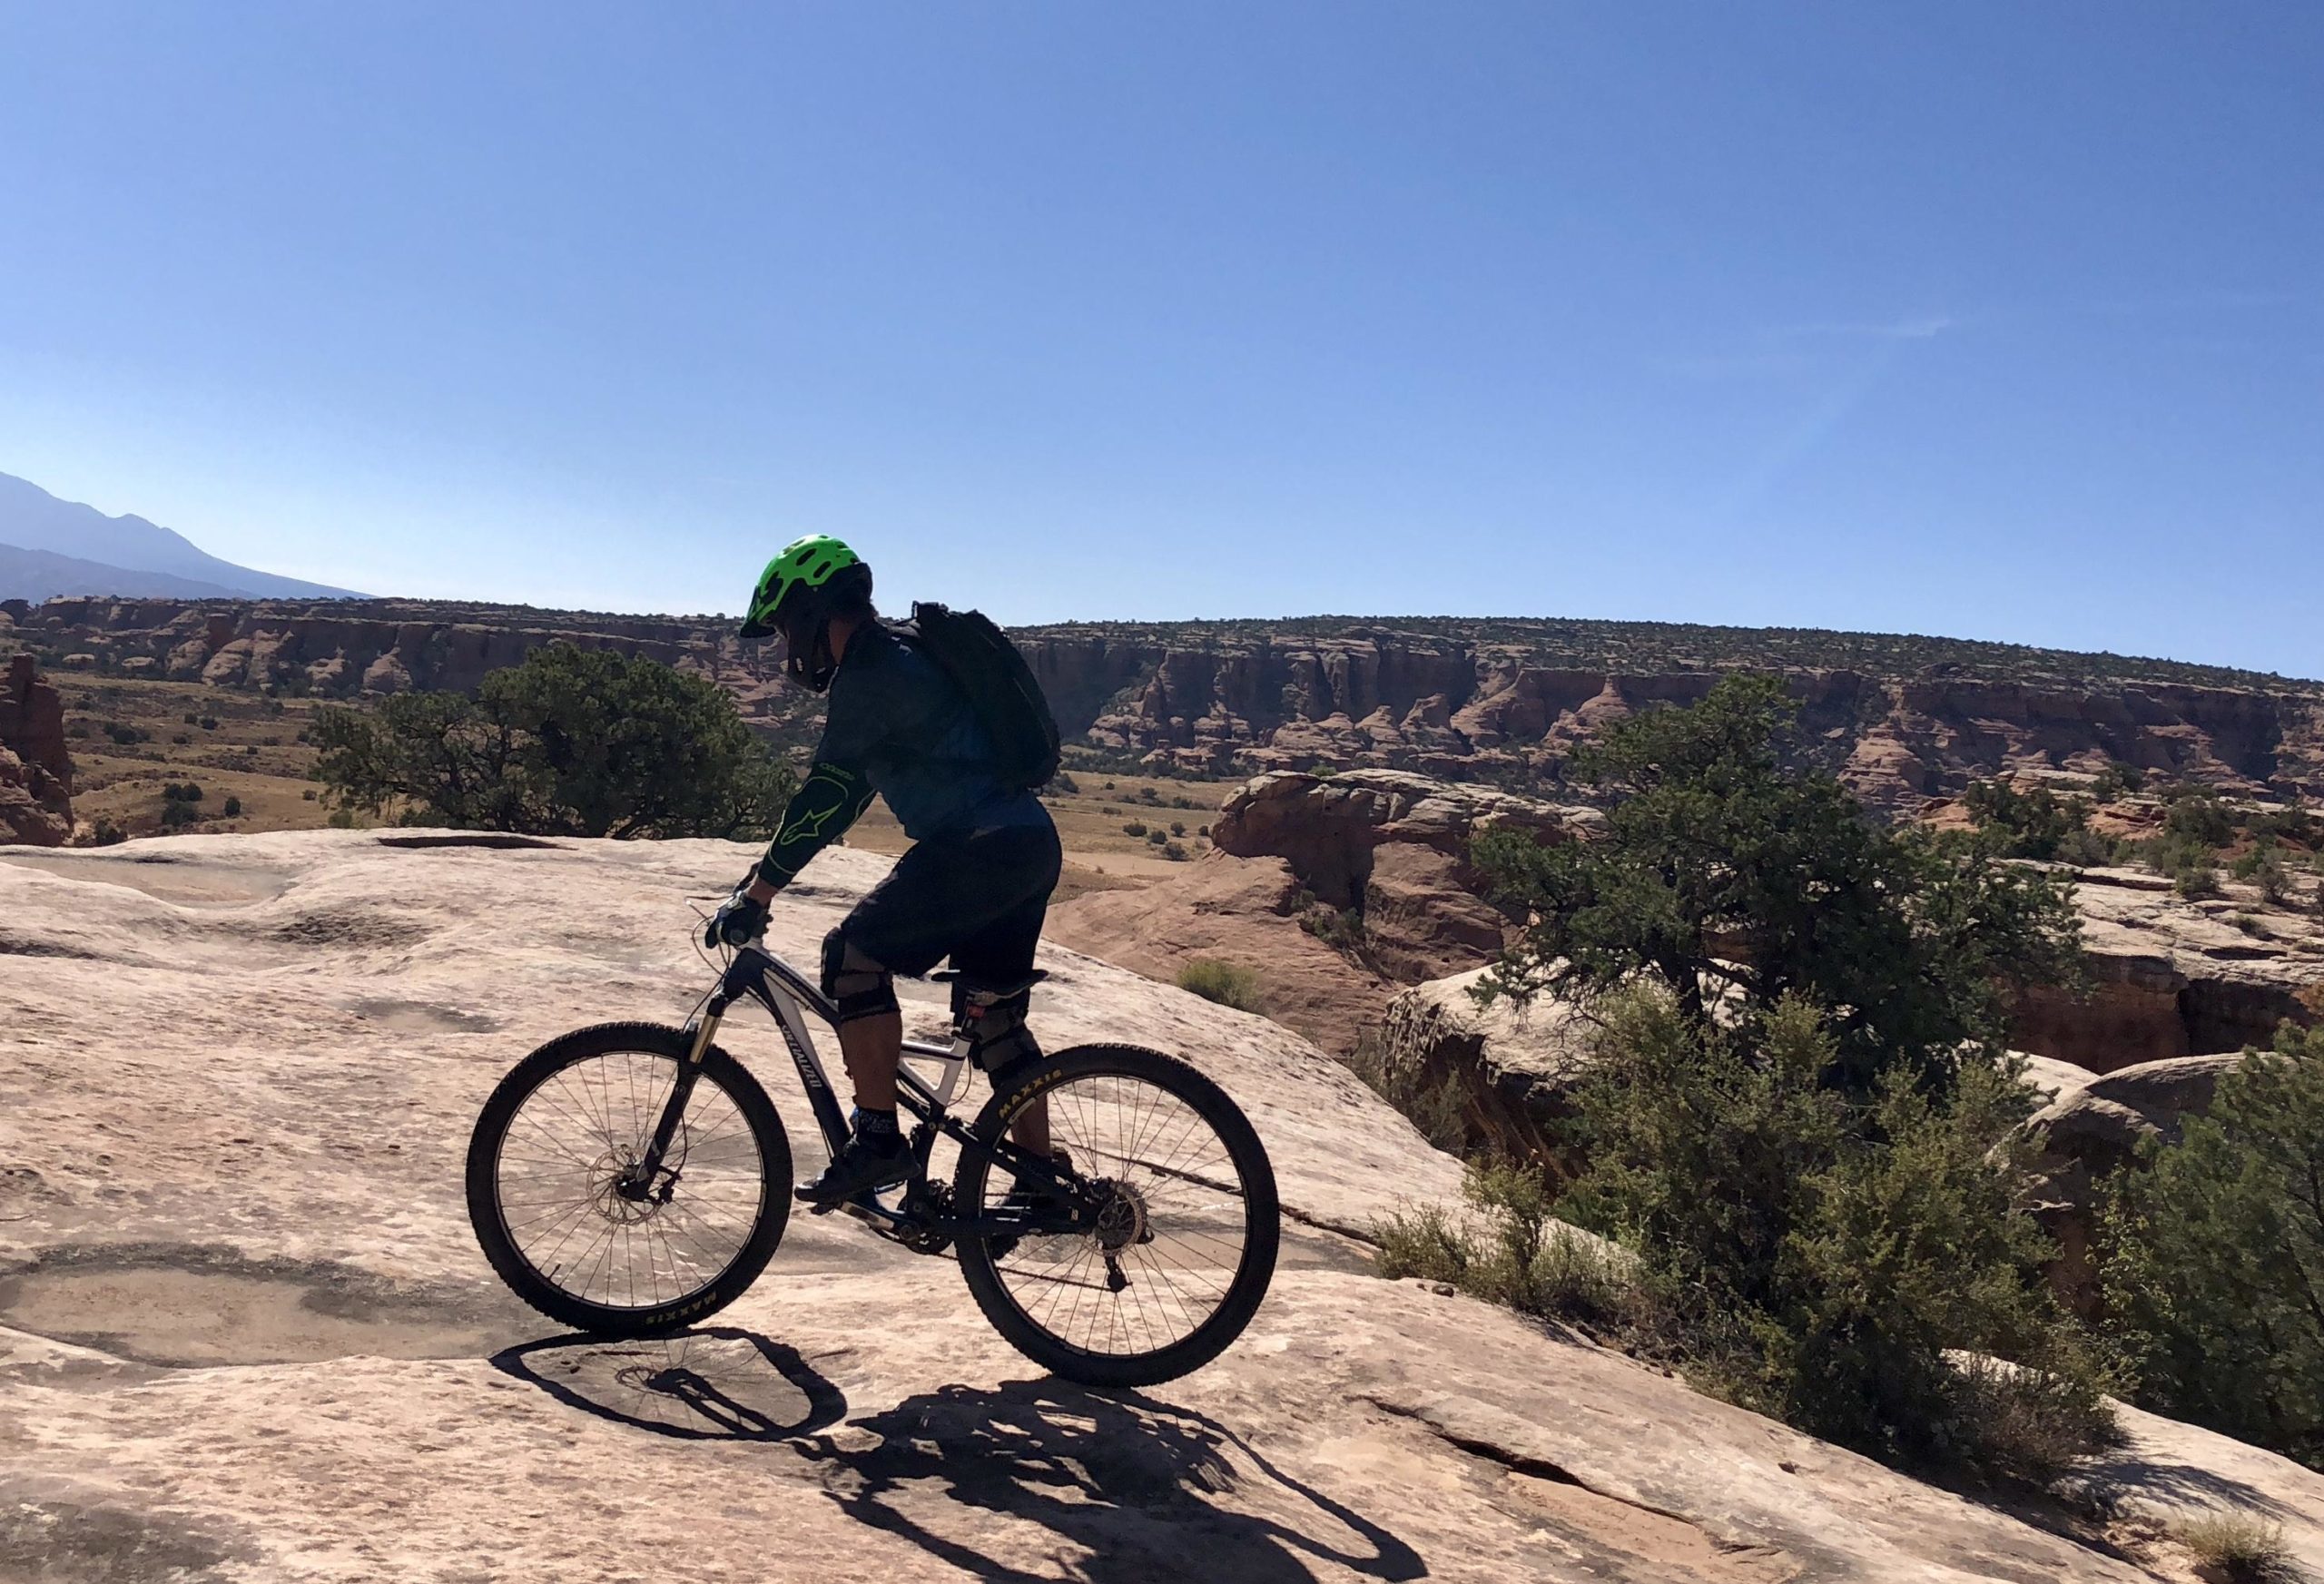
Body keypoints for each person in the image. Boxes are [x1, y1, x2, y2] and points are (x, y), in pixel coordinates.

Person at [704, 535, 1062, 1205]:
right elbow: (856, 790)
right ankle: (1042, 1183)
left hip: (979, 848)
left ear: (815, 612)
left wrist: (758, 892)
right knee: (996, 1021)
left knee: (850, 957)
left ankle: (877, 1142)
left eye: (787, 628)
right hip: (1026, 843)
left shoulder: (873, 674)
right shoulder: (901, 655)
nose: (788, 649)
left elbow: (828, 798)